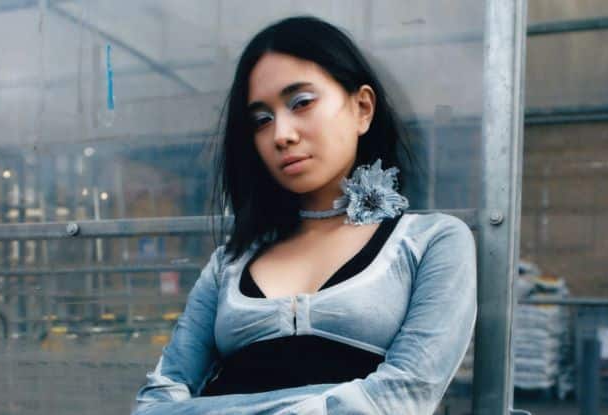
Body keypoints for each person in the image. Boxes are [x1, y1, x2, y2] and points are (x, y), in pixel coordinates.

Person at [132, 15, 476, 415]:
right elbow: (156, 403)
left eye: (301, 103)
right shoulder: (229, 263)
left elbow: (401, 398)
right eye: (262, 119)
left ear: (362, 108)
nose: (281, 135)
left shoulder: (431, 241)